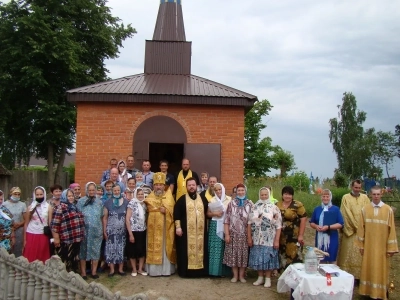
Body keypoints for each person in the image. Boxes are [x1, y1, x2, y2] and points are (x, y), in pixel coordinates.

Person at [355, 186, 398, 299]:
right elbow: (361, 229)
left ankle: (380, 292)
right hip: (368, 246)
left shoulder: (388, 210)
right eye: (374, 194)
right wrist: (361, 245)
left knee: (381, 269)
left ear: (381, 195)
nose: (376, 196)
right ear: (370, 194)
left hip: (382, 247)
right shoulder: (365, 209)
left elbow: (392, 230)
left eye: (378, 194)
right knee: (368, 267)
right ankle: (367, 291)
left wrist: (391, 247)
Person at [174, 177, 208, 277]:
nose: (191, 187)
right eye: (189, 185)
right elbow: (177, 214)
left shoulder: (202, 198)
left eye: (193, 185)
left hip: (200, 232)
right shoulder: (181, 199)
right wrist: (178, 227)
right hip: (186, 233)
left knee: (201, 250)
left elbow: (207, 212)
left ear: (196, 186)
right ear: (186, 187)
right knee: (184, 252)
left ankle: (200, 272)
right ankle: (185, 273)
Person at [337, 179, 370, 280]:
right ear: (352, 187)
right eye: (356, 187)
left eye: (359, 188)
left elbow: (368, 211)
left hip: (363, 230)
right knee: (348, 253)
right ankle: (347, 275)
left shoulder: (365, 198)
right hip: (350, 231)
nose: (357, 189)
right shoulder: (345, 198)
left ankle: (361, 276)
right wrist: (356, 227)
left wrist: (363, 227)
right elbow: (345, 213)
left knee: (361, 254)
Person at [248, 187, 282, 288]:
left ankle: (268, 279)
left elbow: (279, 225)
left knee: (268, 259)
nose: (263, 196)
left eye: (265, 194)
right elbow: (249, 223)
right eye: (262, 194)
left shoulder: (274, 207)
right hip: (257, 238)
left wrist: (277, 240)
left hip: (269, 239)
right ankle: (260, 277)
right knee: (258, 258)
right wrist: (249, 237)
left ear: (269, 195)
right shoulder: (255, 206)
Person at [145, 172, 176, 276]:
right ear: (153, 186)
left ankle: (165, 270)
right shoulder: (149, 197)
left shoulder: (169, 197)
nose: (158, 187)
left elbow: (173, 211)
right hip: (152, 229)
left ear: (164, 186)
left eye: (160, 185)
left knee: (163, 248)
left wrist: (166, 211)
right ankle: (154, 271)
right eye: (156, 185)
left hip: (164, 229)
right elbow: (147, 209)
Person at [223, 183, 253, 283]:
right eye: (238, 190)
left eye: (242, 190)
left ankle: (242, 276)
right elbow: (226, 220)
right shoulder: (231, 204)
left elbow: (252, 221)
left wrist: (250, 237)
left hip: (244, 235)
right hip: (233, 234)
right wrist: (227, 234)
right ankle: (235, 276)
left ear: (245, 191)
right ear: (236, 191)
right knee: (234, 255)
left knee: (243, 255)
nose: (240, 192)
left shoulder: (250, 204)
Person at [51, 189, 85, 272]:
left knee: (73, 258)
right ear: (64, 197)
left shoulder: (74, 207)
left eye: (72, 196)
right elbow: (55, 225)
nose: (71, 198)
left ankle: (73, 276)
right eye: (69, 196)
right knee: (65, 258)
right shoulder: (60, 208)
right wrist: (56, 238)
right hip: (66, 239)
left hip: (76, 238)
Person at [77, 182, 104, 280]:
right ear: (86, 191)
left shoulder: (99, 202)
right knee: (83, 251)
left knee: (96, 251)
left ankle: (94, 272)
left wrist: (102, 229)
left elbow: (101, 216)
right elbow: (78, 216)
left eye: (93, 190)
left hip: (97, 230)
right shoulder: (81, 201)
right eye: (90, 190)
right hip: (84, 231)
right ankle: (83, 273)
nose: (92, 192)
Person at [276, 185, 307, 269]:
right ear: (282, 195)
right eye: (285, 194)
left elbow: (303, 220)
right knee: (282, 256)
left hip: (294, 236)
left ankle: (295, 278)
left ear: (292, 195)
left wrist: (301, 235)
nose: (287, 196)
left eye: (289, 194)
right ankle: (283, 277)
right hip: (280, 236)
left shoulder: (298, 205)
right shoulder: (277, 204)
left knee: (294, 256)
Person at [309, 189, 344, 264]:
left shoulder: (335, 209)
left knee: (331, 258)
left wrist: (328, 227)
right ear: (321, 197)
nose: (325, 198)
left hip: (332, 237)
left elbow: (340, 224)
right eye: (323, 196)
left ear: (330, 197)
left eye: (327, 196)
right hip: (320, 237)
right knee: (320, 258)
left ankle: (331, 274)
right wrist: (316, 226)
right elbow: (312, 222)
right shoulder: (317, 209)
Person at [103, 184, 129, 276]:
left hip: (122, 231)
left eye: (118, 190)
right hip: (111, 231)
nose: (117, 192)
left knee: (121, 249)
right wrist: (104, 230)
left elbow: (128, 217)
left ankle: (121, 269)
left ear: (120, 191)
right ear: (112, 191)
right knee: (111, 249)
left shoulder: (126, 202)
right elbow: (105, 217)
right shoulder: (108, 202)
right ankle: (112, 270)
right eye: (115, 191)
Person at [207, 183, 232, 277]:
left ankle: (225, 272)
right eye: (216, 190)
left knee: (225, 248)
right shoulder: (212, 199)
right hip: (215, 224)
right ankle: (214, 271)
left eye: (220, 190)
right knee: (215, 248)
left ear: (223, 189)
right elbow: (208, 214)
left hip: (226, 224)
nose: (218, 192)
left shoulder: (229, 199)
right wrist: (215, 213)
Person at [23, 186, 51, 263]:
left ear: (44, 195)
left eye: (41, 194)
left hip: (43, 234)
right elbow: (26, 224)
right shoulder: (30, 207)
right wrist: (24, 239)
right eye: (37, 194)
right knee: (30, 256)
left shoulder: (48, 207)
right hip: (31, 233)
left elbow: (50, 223)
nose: (39, 196)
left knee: (42, 255)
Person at [125, 187, 147, 277]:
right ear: (135, 195)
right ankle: (134, 269)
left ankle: (140, 269)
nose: (140, 196)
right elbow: (127, 219)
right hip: (133, 230)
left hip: (142, 230)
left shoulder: (144, 203)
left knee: (142, 251)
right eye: (139, 194)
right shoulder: (132, 203)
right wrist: (130, 234)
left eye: (142, 194)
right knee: (133, 251)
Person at [3, 186, 27, 257]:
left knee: (18, 248)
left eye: (18, 194)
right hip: (8, 230)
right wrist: (11, 225)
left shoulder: (22, 205)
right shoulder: (5, 204)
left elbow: (26, 219)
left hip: (19, 230)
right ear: (11, 194)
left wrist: (19, 224)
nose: (17, 196)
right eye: (15, 194)